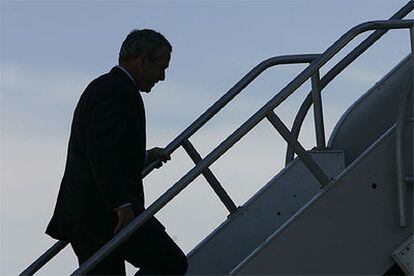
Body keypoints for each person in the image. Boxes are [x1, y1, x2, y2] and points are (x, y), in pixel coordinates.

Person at [46, 29, 188, 275]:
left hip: (92, 212)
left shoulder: (108, 88)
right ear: (142, 60)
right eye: (161, 67)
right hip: (103, 213)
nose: (162, 77)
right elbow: (100, 152)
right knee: (169, 261)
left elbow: (105, 148)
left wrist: (143, 156)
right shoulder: (115, 90)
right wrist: (121, 204)